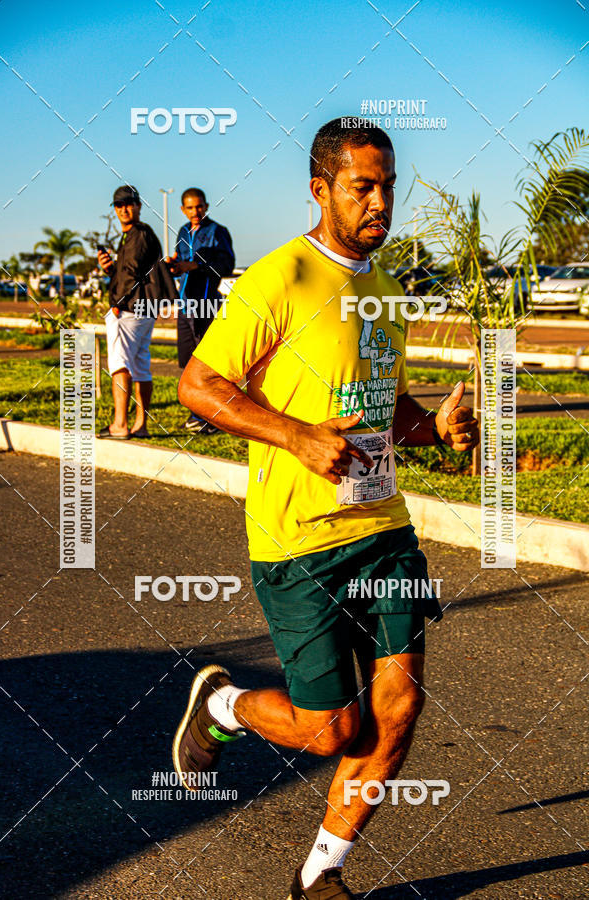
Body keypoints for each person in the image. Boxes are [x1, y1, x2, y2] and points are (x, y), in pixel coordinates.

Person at [173, 119, 479, 899]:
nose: (380, 203)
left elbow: (385, 405)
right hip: (297, 540)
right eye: (362, 188)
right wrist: (297, 437)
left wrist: (432, 428)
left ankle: (321, 876)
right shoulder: (281, 279)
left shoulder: (384, 292)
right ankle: (225, 704)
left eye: (387, 186)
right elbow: (199, 386)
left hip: (383, 533)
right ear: (321, 190)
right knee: (331, 730)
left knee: (398, 709)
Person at [97, 184, 177, 440]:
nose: (124, 209)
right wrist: (111, 269)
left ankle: (120, 424)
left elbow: (130, 272)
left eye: (129, 203)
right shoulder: (139, 235)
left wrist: (116, 303)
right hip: (144, 308)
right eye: (119, 205)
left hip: (128, 310)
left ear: (139, 206)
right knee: (141, 366)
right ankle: (140, 425)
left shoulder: (137, 234)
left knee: (120, 363)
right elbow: (131, 272)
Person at [169, 187, 235, 434]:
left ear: (206, 206)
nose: (195, 212)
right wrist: (176, 266)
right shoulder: (183, 232)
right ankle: (196, 414)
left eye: (199, 206)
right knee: (187, 363)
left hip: (206, 304)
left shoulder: (218, 232)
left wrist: (196, 265)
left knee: (207, 364)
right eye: (190, 207)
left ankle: (213, 418)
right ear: (182, 209)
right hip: (185, 304)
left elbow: (227, 264)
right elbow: (182, 261)